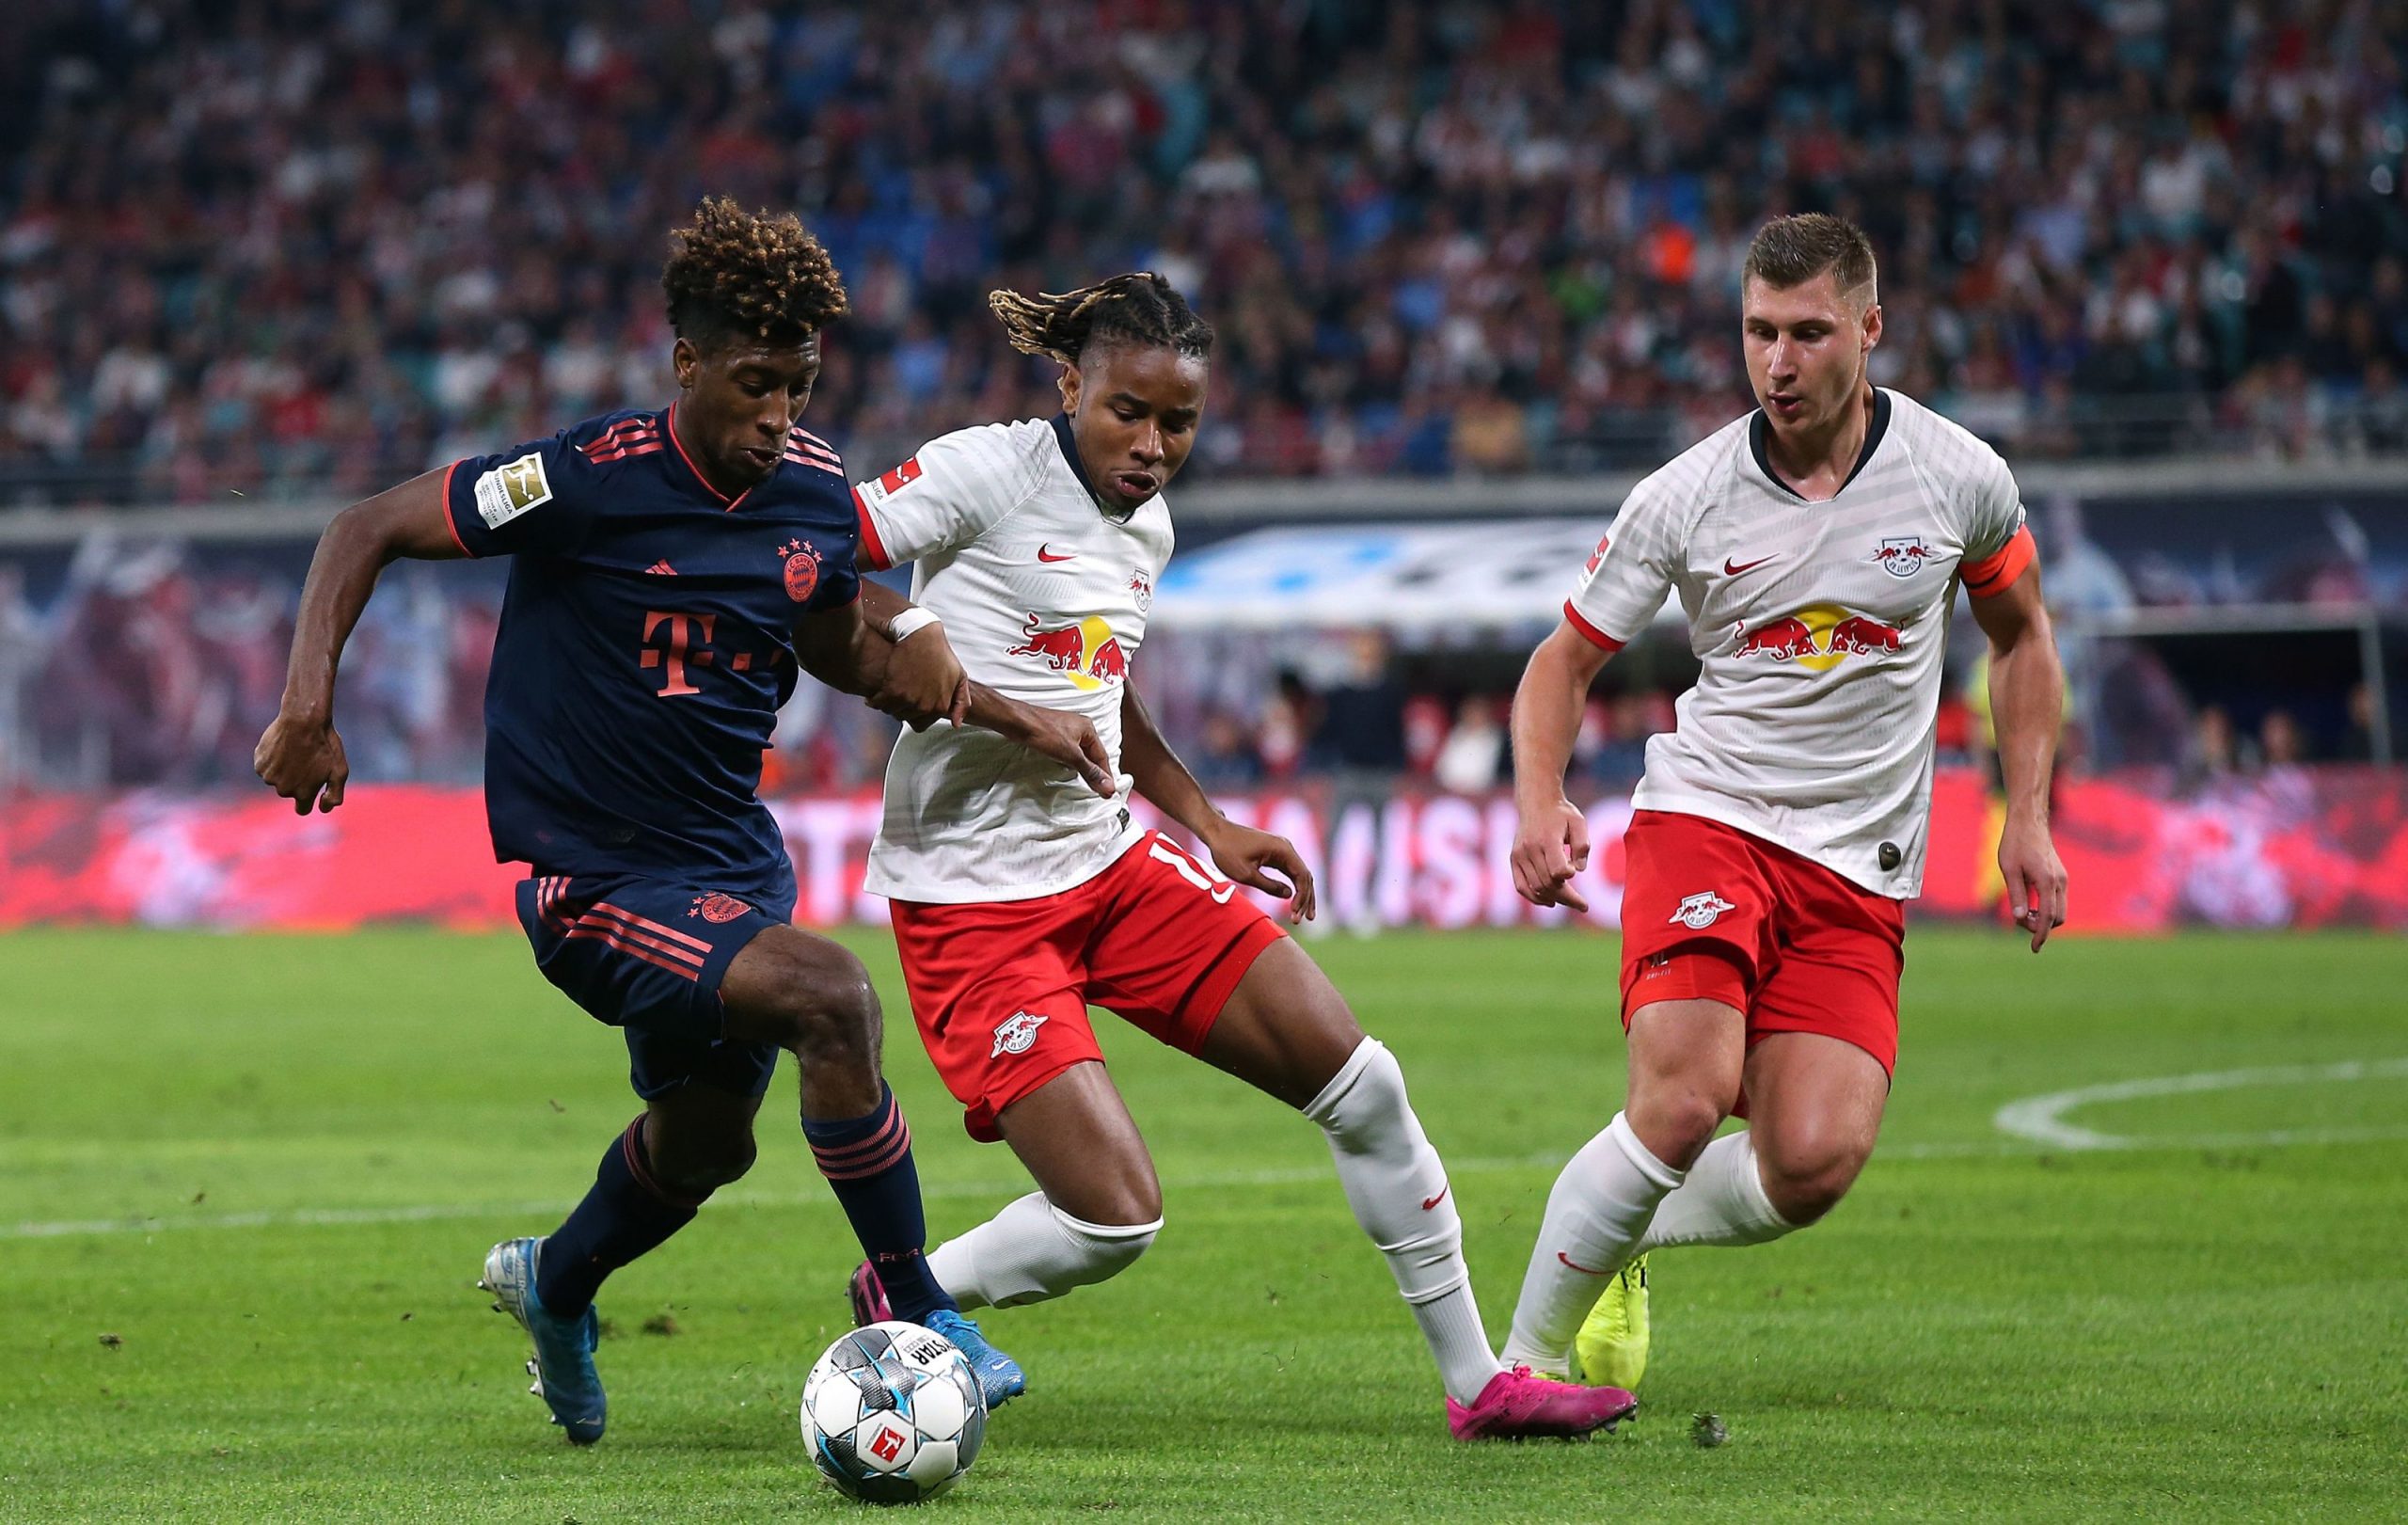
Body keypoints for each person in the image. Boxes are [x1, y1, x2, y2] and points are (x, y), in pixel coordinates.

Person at [253, 199, 1112, 1444]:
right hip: (591, 880)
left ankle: (555, 1284)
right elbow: (364, 526)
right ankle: (922, 1305)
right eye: (755, 384)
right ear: (687, 365)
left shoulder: (813, 493)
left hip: (727, 869)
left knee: (707, 1143)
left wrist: (974, 695)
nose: (777, 416)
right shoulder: (585, 481)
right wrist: (307, 706)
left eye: (800, 386)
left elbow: (838, 642)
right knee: (835, 1000)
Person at [841, 273, 1635, 1440]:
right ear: (1070, 387)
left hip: (1111, 866)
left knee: (1365, 1086)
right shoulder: (984, 470)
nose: (1155, 446)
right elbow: (813, 559)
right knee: (1114, 1222)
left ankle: (1481, 1387)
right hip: (973, 903)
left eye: (1180, 422)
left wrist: (1203, 821)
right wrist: (920, 646)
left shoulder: (1145, 525)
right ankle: (908, 1290)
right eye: (1128, 413)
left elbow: (1101, 687)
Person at [1499, 214, 2067, 1390]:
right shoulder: (1687, 494)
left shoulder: (1959, 477)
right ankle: (1517, 1366)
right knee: (1684, 1098)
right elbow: (1562, 661)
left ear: (1869, 330)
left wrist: (2031, 817)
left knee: (1810, 1161)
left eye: (1809, 332)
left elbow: (2022, 640)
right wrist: (1538, 800)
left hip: (1858, 860)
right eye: (1759, 332)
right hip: (1709, 815)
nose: (1779, 361)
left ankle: (1619, 1235)